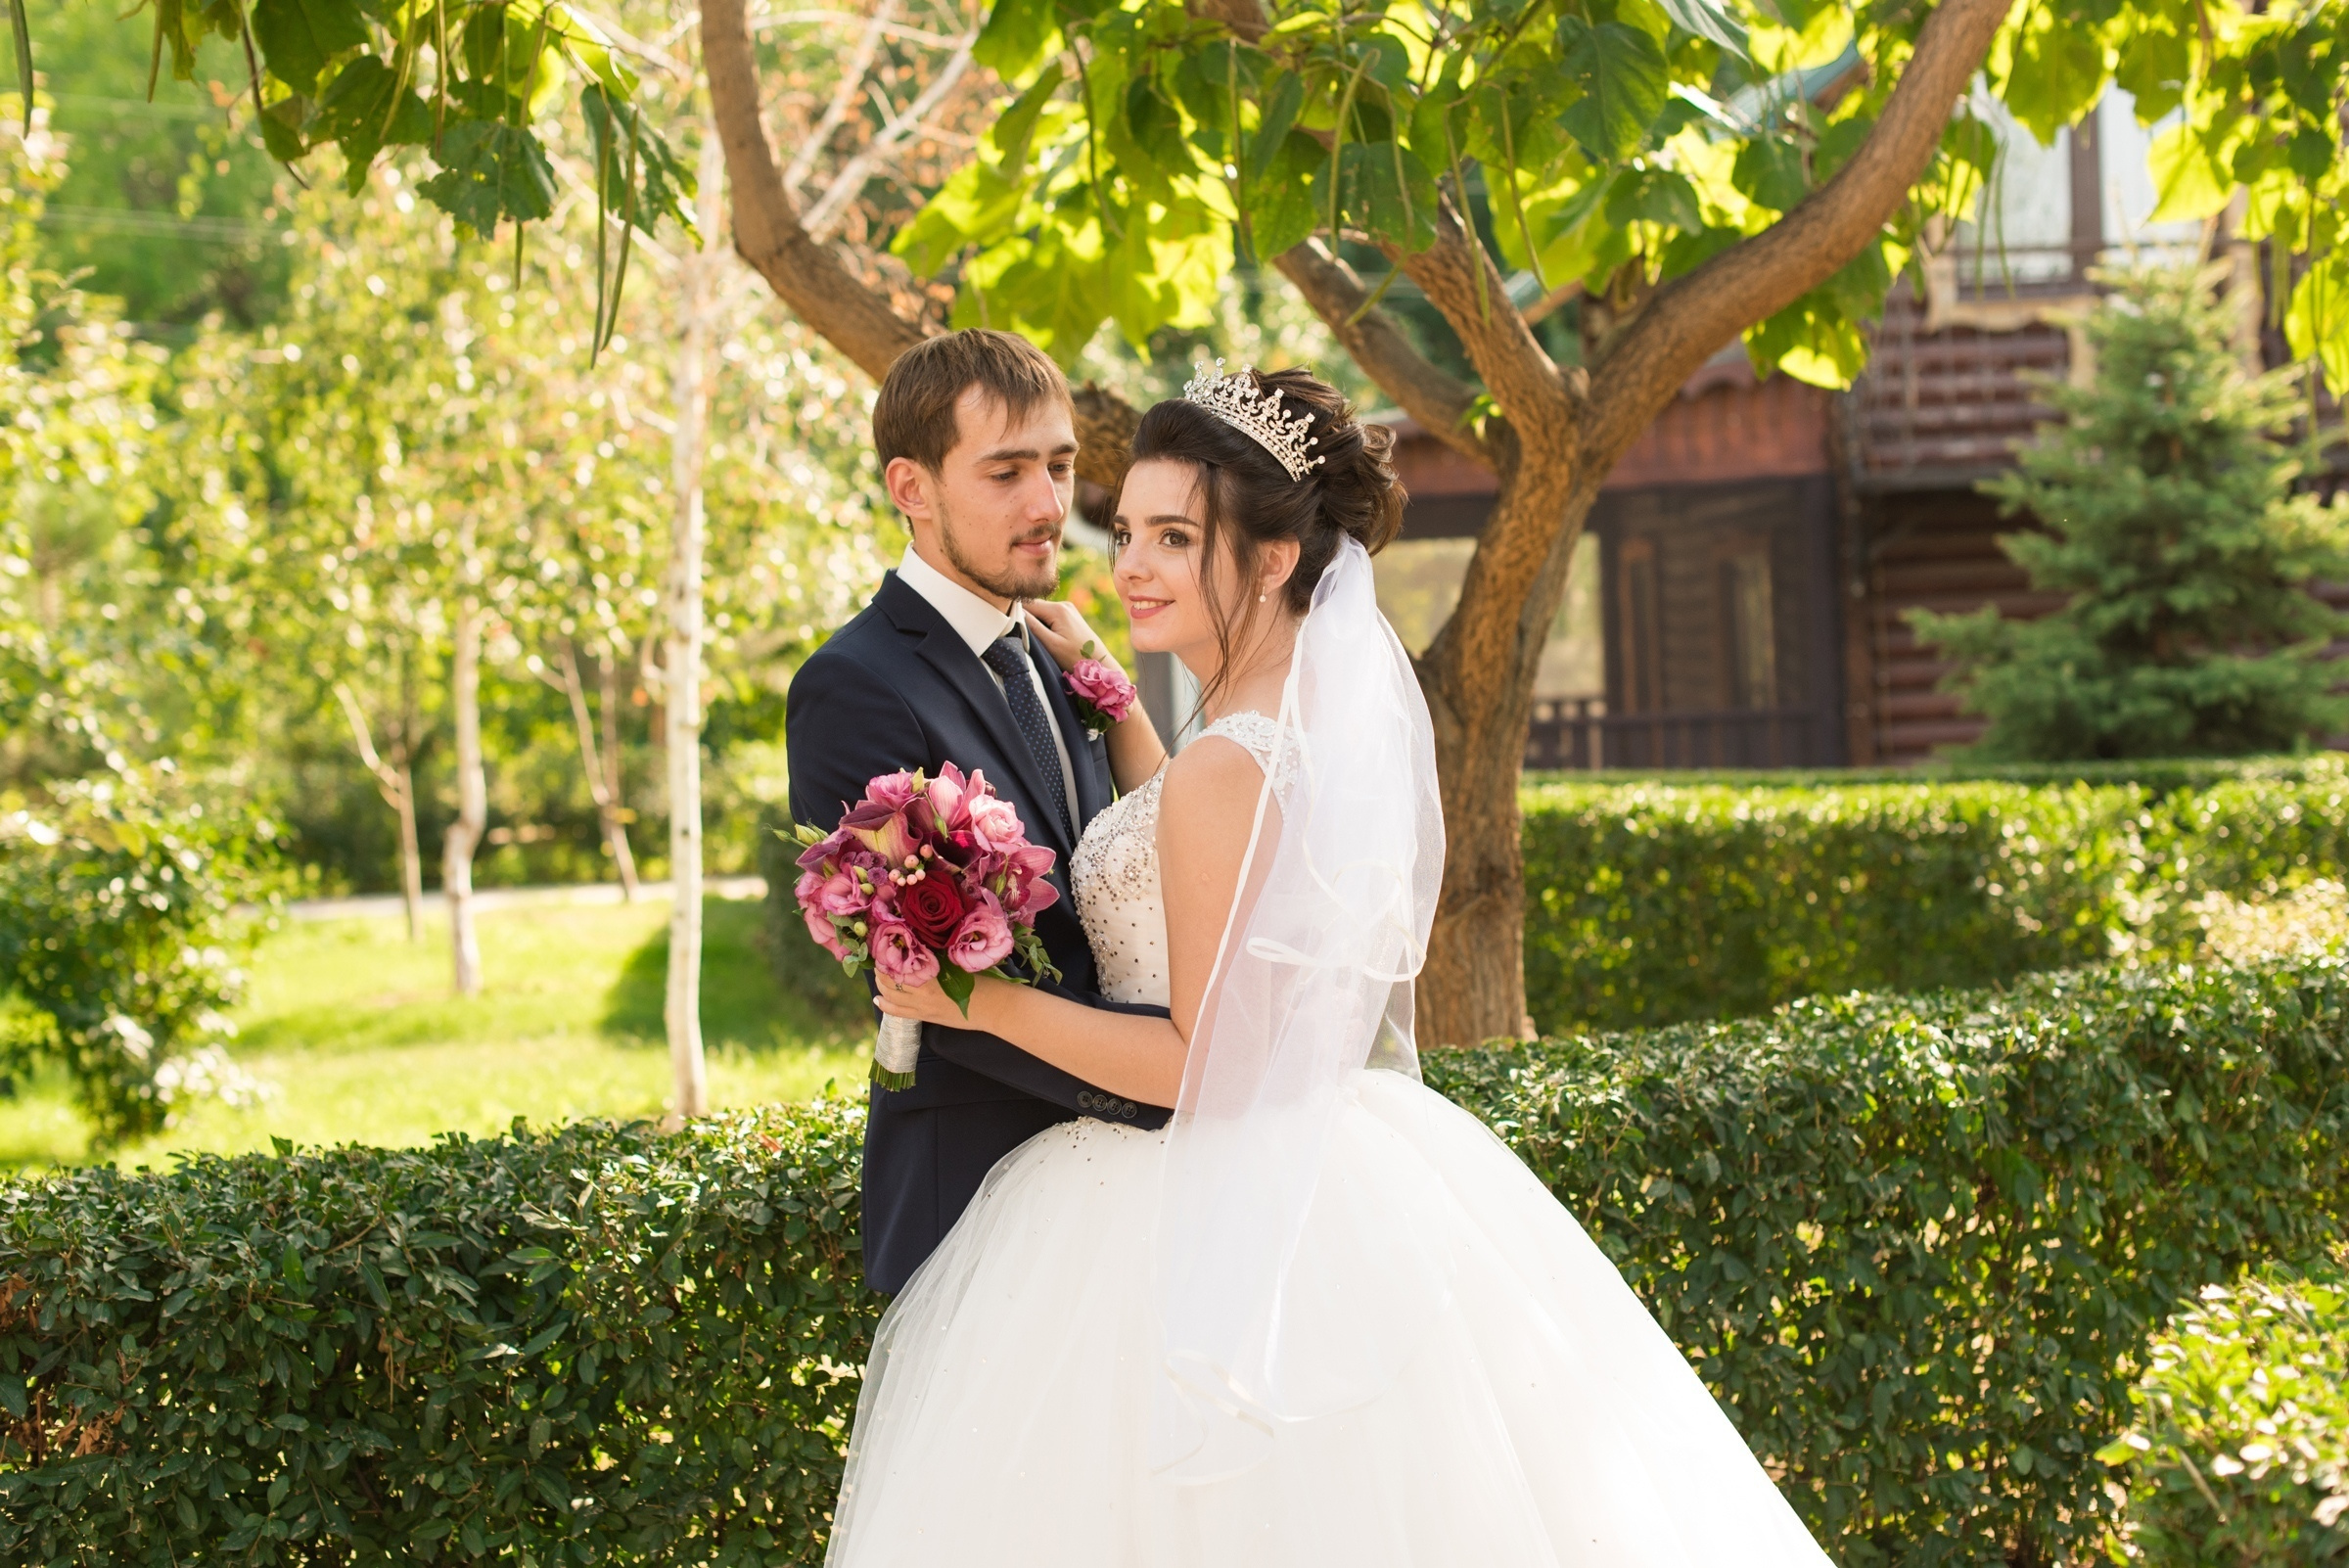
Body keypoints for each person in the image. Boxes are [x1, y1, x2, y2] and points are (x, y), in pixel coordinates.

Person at [828, 362, 1838, 1565]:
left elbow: (1197, 1056)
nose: (1129, 564)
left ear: (1267, 560)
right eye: (1129, 530)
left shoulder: (1223, 766)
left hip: (1183, 1189)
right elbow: (1206, 886)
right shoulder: (1277, 729)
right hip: (1333, 1156)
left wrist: (981, 1002)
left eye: (1172, 536)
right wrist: (1119, 705)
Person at [784, 329, 1176, 1296]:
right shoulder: (855, 686)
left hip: (1142, 1189)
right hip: (987, 1200)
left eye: (1058, 465)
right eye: (1006, 472)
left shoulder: (1056, 659)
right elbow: (924, 985)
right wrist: (1163, 1088)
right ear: (911, 489)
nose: (1049, 505)